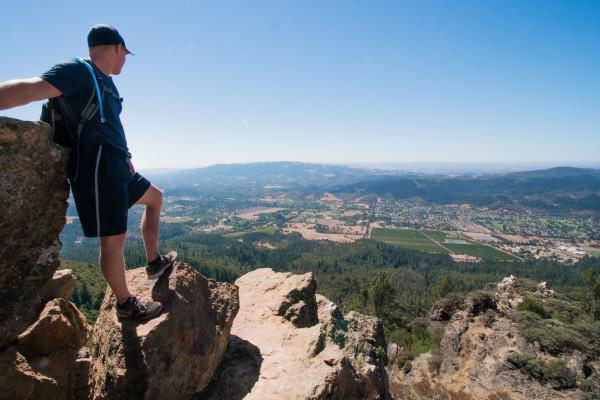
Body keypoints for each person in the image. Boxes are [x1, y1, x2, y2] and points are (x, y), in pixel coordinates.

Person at [0, 24, 175, 321]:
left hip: (116, 164)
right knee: (113, 240)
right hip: (96, 169)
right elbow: (31, 89)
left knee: (155, 197)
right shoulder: (78, 70)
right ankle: (126, 305)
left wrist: (126, 154)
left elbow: (106, 125)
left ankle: (154, 261)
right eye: (125, 54)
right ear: (118, 48)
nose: (125, 61)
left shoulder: (105, 82)